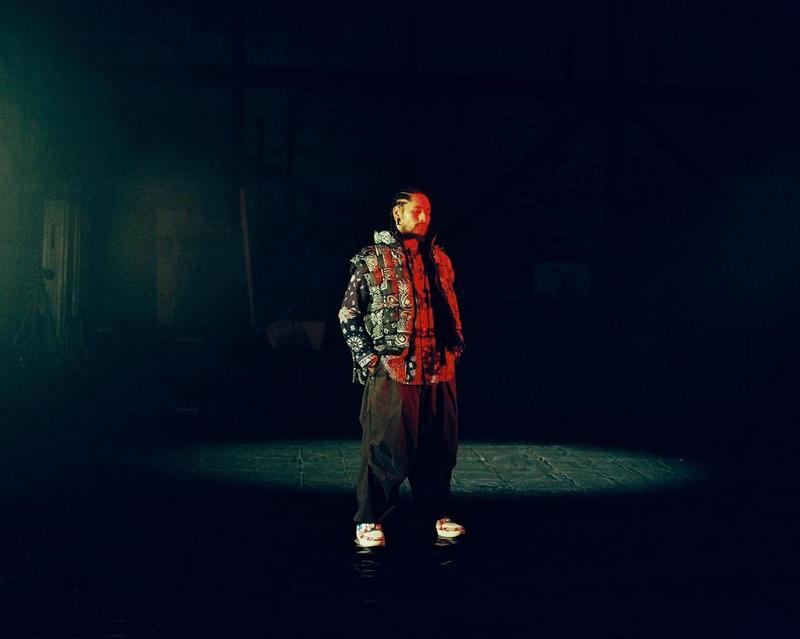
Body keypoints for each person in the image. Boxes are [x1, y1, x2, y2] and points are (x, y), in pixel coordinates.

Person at [338, 188, 466, 548]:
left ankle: (437, 512)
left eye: (428, 212)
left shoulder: (439, 259)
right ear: (397, 213)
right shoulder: (371, 259)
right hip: (394, 368)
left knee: (439, 447)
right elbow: (348, 313)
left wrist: (455, 348)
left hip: (438, 368)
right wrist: (368, 358)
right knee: (385, 446)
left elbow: (450, 306)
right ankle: (369, 519)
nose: (424, 218)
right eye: (416, 211)